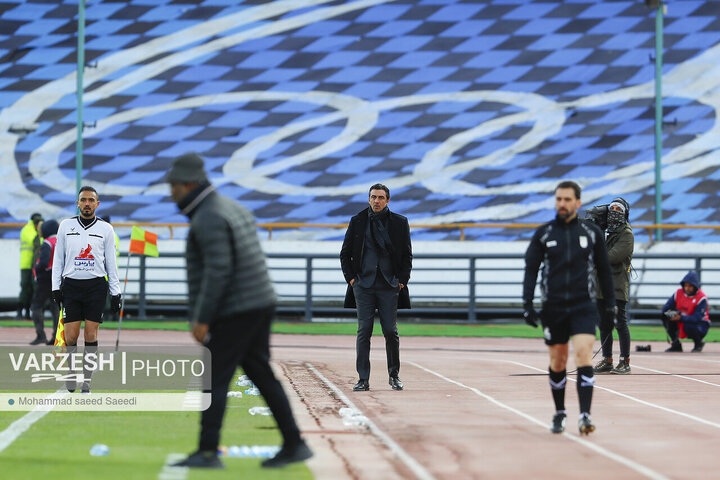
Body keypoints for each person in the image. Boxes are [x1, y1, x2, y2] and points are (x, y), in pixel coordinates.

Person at [167, 153, 312, 470]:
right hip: (259, 301)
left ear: (188, 184)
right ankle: (294, 443)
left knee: (214, 377)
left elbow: (218, 271)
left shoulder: (208, 217)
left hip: (239, 308)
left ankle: (207, 451)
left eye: (174, 186)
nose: (171, 193)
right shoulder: (228, 207)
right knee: (260, 374)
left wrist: (203, 318)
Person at [523, 180, 615, 435]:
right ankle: (560, 412)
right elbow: (531, 270)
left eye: (567, 199)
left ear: (578, 202)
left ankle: (585, 415)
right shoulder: (544, 233)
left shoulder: (591, 232)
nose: (562, 204)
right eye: (558, 199)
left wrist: (610, 305)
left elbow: (605, 272)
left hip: (583, 305)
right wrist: (527, 304)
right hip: (553, 308)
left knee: (584, 355)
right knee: (558, 360)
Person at [340, 183, 412, 392]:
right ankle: (363, 379)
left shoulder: (400, 222)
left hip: (389, 285)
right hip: (363, 285)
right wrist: (352, 280)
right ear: (369, 199)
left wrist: (402, 281)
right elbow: (345, 254)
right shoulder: (357, 221)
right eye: (373, 197)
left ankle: (394, 375)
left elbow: (407, 255)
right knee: (364, 330)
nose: (376, 201)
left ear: (388, 200)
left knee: (390, 331)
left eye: (381, 197)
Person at [52, 186, 121, 393]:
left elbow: (111, 262)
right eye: (84, 200)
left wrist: (115, 292)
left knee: (91, 335)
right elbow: (58, 259)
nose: (87, 203)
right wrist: (56, 287)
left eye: (91, 200)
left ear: (97, 204)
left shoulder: (106, 229)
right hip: (71, 286)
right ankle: (72, 374)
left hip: (96, 287)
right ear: (78, 203)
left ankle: (87, 381)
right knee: (71, 337)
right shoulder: (66, 226)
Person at [591, 198, 634, 375]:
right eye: (612, 208)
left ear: (625, 213)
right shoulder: (606, 232)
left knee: (620, 323)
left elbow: (611, 257)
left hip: (616, 284)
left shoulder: (626, 234)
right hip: (601, 285)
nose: (614, 211)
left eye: (618, 208)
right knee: (604, 324)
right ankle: (607, 360)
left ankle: (625, 361)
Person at [662, 271, 710, 353]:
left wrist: (680, 317)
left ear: (695, 286)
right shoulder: (678, 293)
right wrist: (671, 314)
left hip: (700, 324)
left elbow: (697, 318)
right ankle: (676, 344)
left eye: (690, 286)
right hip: (681, 319)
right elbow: (666, 308)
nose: (687, 288)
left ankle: (698, 343)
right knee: (665, 317)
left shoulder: (702, 298)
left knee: (688, 325)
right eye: (686, 285)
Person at [29, 219, 60, 345]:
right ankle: (56, 336)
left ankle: (41, 334)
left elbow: (43, 262)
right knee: (55, 308)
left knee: (36, 306)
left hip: (46, 278)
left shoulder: (47, 242)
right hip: (58, 279)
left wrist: (37, 270)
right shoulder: (62, 241)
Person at [18, 212, 43, 319]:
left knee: (33, 289)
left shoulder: (34, 230)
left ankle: (28, 313)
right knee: (25, 287)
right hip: (26, 264)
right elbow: (37, 241)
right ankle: (20, 311)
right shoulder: (27, 230)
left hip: (34, 264)